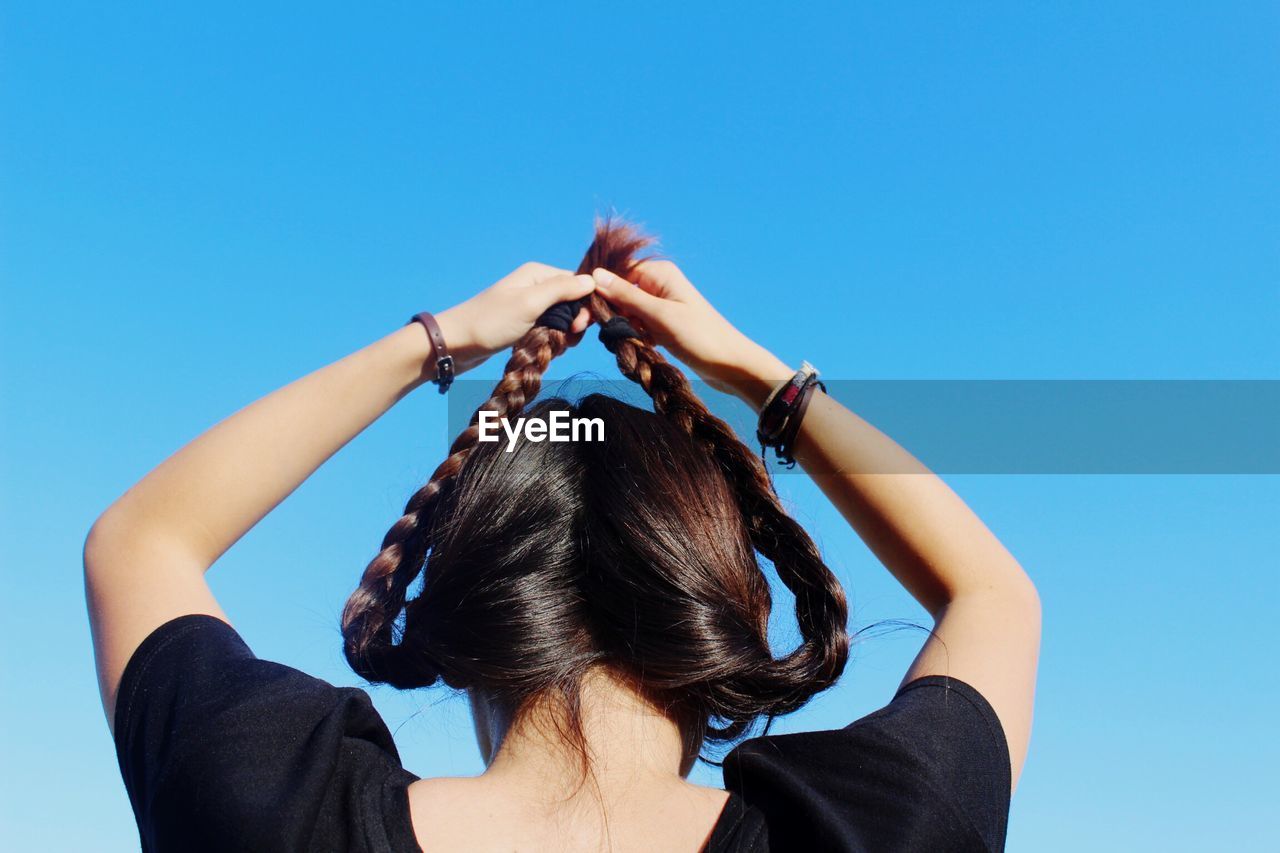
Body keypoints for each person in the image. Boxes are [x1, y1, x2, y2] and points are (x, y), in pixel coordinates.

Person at [85, 220, 1041, 852]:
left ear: (464, 604)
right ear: (722, 606)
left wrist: (442, 339)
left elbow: (142, 538)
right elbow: (992, 596)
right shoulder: (878, 830)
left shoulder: (270, 812)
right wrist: (757, 378)